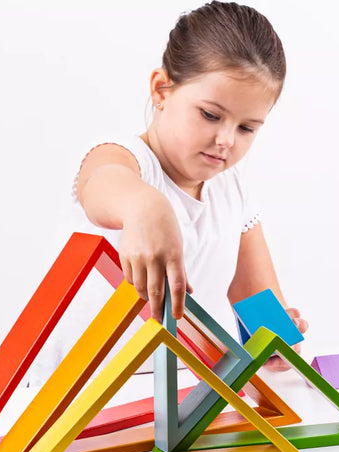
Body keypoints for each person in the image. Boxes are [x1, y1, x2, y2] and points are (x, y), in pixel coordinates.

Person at [26, 1, 308, 386]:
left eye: (247, 128)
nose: (225, 140)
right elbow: (102, 183)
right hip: (75, 398)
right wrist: (144, 205)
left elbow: (258, 305)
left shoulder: (232, 188)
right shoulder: (128, 162)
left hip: (181, 400)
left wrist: (276, 340)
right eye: (210, 115)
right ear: (161, 90)